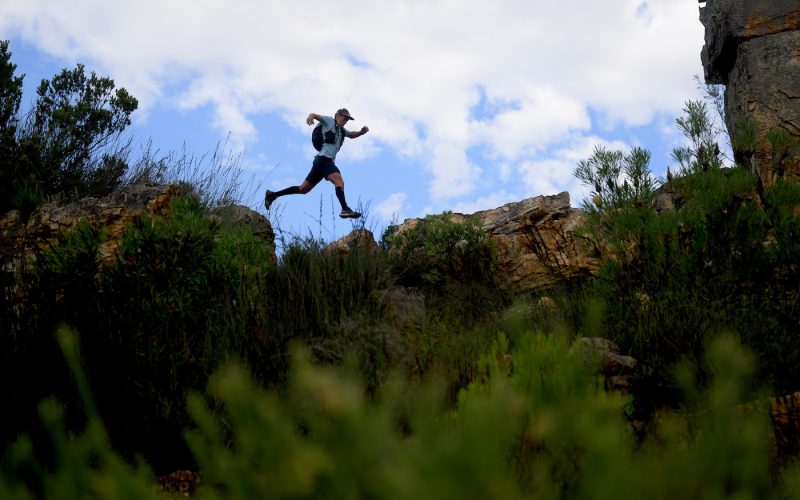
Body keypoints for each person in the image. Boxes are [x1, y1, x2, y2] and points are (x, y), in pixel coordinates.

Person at [265, 108, 369, 218]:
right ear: (338, 115)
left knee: (303, 189)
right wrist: (310, 117)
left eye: (348, 119)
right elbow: (314, 115)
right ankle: (345, 209)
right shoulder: (329, 121)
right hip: (324, 159)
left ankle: (272, 195)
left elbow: (352, 135)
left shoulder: (342, 131)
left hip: (321, 162)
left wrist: (361, 132)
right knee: (339, 181)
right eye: (345, 117)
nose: (346, 120)